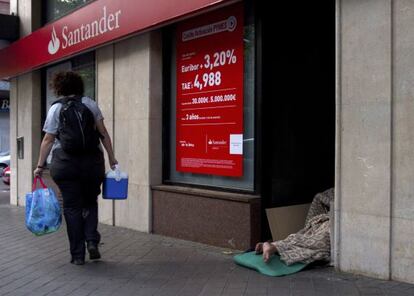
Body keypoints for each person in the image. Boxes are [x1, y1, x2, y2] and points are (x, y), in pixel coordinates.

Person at [34, 71, 117, 265]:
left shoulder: (56, 109)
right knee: (90, 202)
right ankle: (91, 241)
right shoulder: (90, 104)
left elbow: (48, 139)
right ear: (80, 86)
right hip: (92, 164)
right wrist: (112, 158)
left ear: (59, 88)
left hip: (65, 165)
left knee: (71, 208)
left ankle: (77, 255)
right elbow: (103, 133)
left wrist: (39, 165)